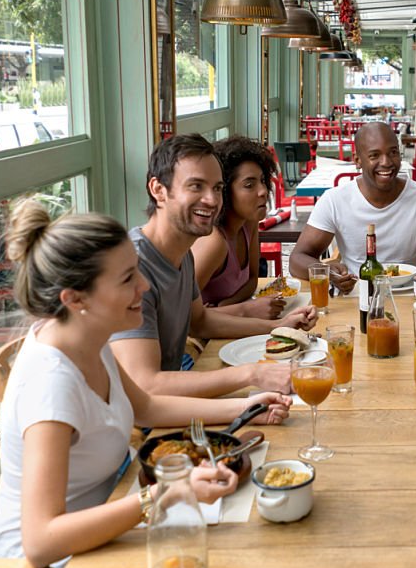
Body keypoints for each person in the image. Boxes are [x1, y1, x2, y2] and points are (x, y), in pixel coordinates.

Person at [0, 200, 292, 568]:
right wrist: (165, 493)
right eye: (128, 278)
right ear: (75, 299)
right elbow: (41, 541)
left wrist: (248, 408)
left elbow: (147, 407)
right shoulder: (50, 384)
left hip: (105, 535)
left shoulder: (86, 338)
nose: (144, 287)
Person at [110, 134, 316, 399]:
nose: (211, 199)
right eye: (196, 186)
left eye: (217, 188)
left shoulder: (182, 252)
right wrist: (250, 374)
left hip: (169, 402)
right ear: (158, 190)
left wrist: (281, 326)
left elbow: (201, 321)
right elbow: (146, 385)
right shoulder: (134, 266)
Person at [289, 122, 416, 292]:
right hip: (355, 295)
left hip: (410, 295)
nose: (386, 162)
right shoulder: (334, 200)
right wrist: (328, 272)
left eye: (393, 153)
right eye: (374, 155)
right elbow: (297, 259)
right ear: (357, 160)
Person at [192, 136, 285, 317]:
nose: (263, 191)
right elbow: (181, 316)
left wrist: (225, 308)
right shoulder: (214, 242)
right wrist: (244, 310)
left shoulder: (248, 224)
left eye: (263, 181)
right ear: (224, 191)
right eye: (249, 185)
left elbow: (251, 280)